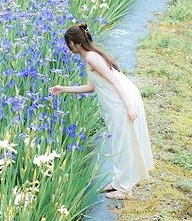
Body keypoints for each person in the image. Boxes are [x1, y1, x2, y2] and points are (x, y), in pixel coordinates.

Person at [50, 23, 154, 200]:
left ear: (75, 43)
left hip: (121, 103)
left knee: (123, 144)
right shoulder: (91, 57)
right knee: (120, 143)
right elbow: (92, 87)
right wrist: (63, 89)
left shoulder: (92, 58)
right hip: (119, 102)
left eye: (68, 44)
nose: (68, 48)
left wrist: (128, 107)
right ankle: (118, 182)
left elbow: (114, 81)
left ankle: (124, 189)